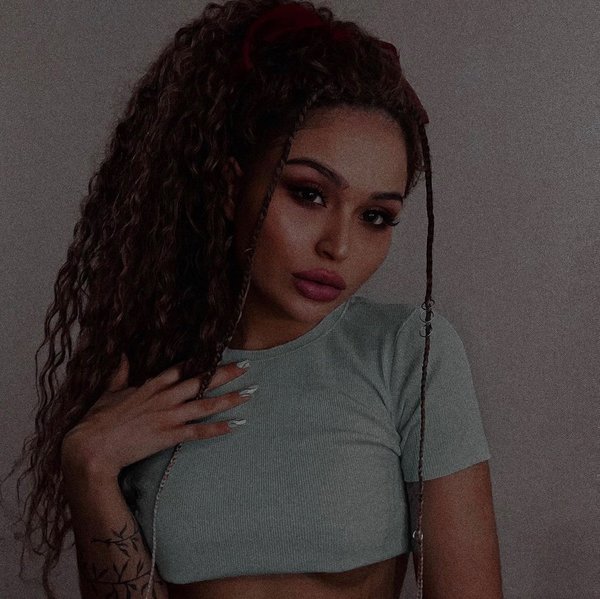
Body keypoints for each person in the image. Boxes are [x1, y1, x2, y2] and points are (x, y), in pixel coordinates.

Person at [3, 1, 503, 598]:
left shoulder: (407, 353)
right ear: (229, 186)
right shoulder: (150, 369)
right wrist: (90, 468)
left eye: (376, 216)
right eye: (308, 194)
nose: (339, 246)